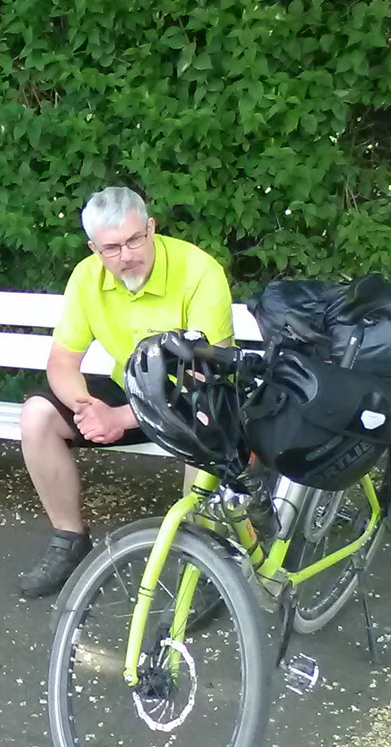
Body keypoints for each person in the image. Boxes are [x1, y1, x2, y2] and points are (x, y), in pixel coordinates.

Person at [16, 186, 234, 597]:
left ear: (151, 227)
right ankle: (69, 541)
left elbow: (205, 375)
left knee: (206, 418)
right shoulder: (87, 276)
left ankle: (207, 561)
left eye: (135, 239)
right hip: (132, 389)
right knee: (37, 414)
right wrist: (86, 407)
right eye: (111, 248)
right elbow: (62, 362)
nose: (126, 255)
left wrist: (120, 419)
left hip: (195, 395)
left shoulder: (199, 270)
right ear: (93, 248)